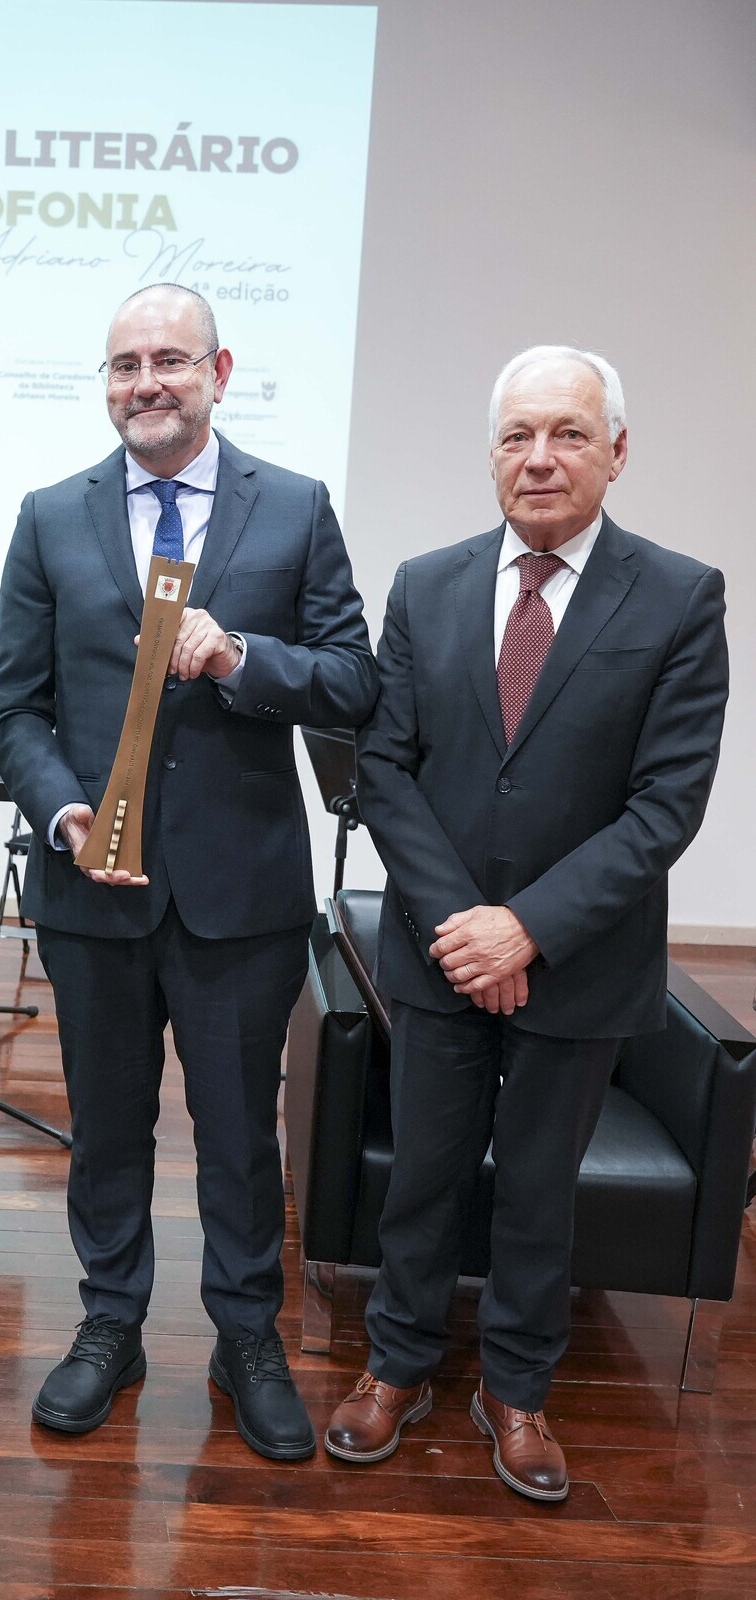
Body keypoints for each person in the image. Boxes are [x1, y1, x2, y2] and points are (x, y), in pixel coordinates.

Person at [329, 346, 728, 1501]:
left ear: (616, 450)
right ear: (491, 452)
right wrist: (467, 924)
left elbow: (667, 803)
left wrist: (530, 930)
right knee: (424, 1172)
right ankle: (396, 1363)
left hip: (581, 963)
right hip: (441, 953)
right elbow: (386, 768)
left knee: (540, 1185)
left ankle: (516, 1386)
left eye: (565, 432)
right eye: (516, 435)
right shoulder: (427, 582)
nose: (538, 457)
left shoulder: (678, 594)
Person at [0, 283, 377, 1459]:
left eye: (168, 359)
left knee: (236, 1136)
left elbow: (353, 682)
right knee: (105, 1130)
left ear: (218, 367)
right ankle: (109, 1325)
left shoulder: (295, 508)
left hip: (238, 896)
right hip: (90, 894)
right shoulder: (51, 514)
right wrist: (61, 817)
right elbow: (16, 706)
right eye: (122, 365)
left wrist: (242, 655)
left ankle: (246, 1337)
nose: (144, 382)